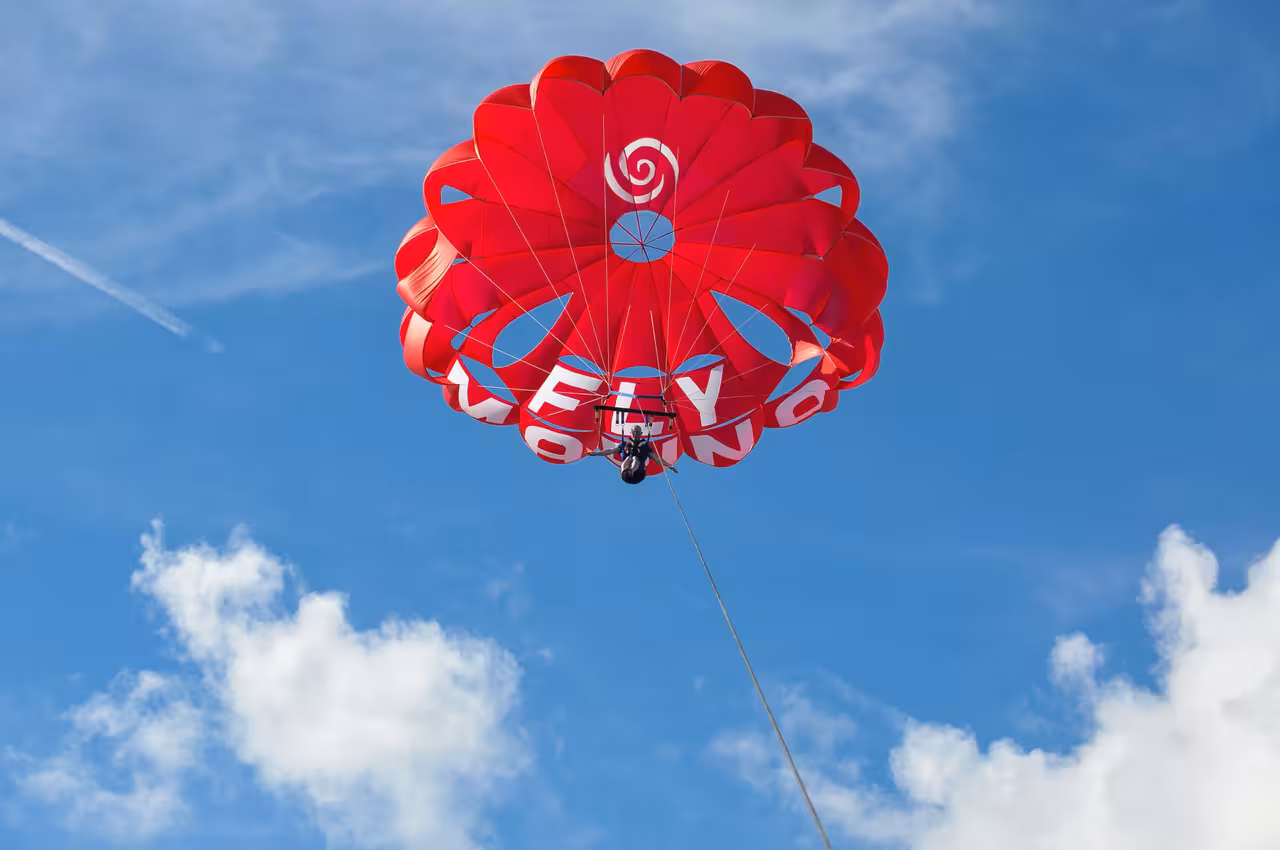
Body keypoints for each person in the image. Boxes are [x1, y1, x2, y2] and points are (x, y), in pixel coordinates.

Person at [584, 424, 677, 484]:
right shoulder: (624, 444)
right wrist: (597, 453)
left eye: (637, 432)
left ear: (641, 433)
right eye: (634, 431)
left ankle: (630, 470)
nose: (635, 433)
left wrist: (669, 466)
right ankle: (626, 471)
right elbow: (611, 451)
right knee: (630, 458)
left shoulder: (646, 448)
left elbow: (657, 459)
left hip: (638, 475)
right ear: (631, 433)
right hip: (626, 474)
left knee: (635, 459)